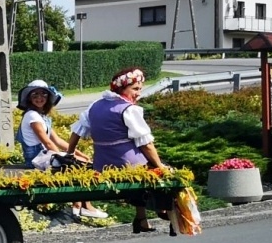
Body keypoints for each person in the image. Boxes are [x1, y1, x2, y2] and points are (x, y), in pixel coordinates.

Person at [66, 66, 170, 233]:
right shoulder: (129, 109)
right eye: (135, 89)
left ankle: (141, 220)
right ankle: (163, 210)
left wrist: (69, 153)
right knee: (160, 170)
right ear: (122, 88)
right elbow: (146, 143)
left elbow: (78, 131)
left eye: (140, 89)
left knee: (144, 169)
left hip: (102, 165)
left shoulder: (95, 105)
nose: (138, 93)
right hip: (126, 165)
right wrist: (159, 165)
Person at [17, 79, 105, 220]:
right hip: (36, 158)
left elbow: (57, 140)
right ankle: (84, 206)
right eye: (35, 95)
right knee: (79, 166)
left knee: (83, 161)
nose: (39, 98)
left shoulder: (41, 116)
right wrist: (65, 158)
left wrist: (78, 153)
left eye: (43, 95)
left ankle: (78, 206)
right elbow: (47, 142)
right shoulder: (32, 116)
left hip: (45, 155)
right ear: (29, 98)